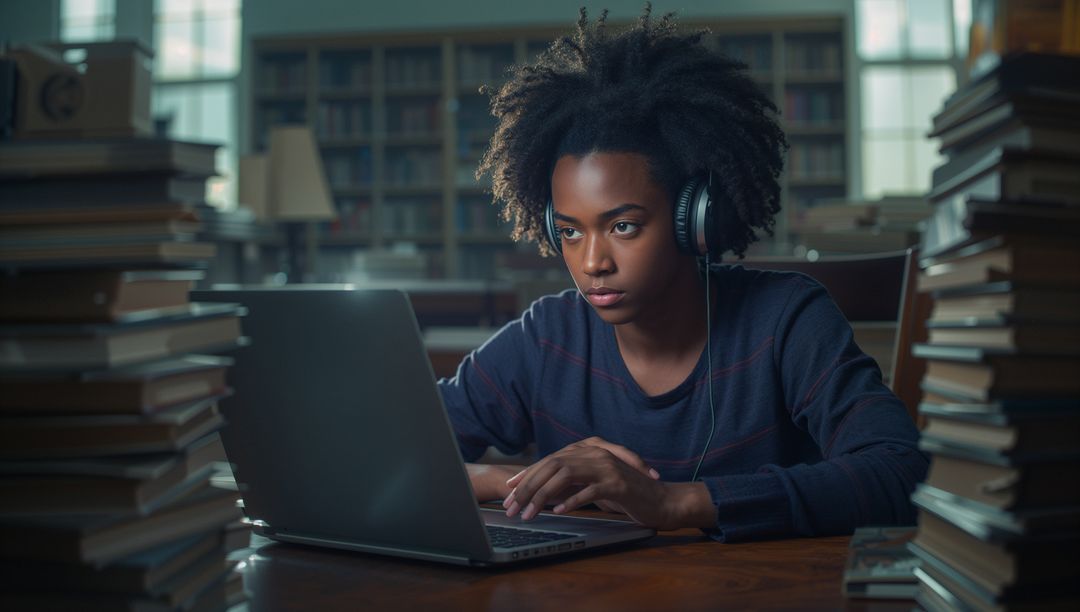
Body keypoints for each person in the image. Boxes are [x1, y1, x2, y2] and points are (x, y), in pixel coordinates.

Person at [438, 5, 927, 542]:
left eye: (623, 226)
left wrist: (672, 503)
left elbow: (901, 473)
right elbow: (389, 448)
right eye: (571, 232)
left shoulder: (786, 320)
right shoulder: (546, 338)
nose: (592, 262)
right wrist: (513, 480)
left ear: (693, 220)